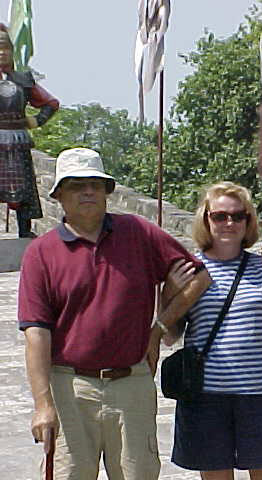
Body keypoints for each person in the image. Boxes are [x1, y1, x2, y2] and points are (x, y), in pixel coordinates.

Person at [18, 147, 211, 479]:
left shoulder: (137, 233)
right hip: (69, 387)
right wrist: (43, 404)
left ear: (107, 191)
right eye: (77, 186)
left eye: (95, 184)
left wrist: (158, 329)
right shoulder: (41, 253)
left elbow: (199, 277)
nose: (88, 192)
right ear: (59, 195)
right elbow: (36, 332)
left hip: (131, 384)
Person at [165, 181, 262, 480]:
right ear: (205, 219)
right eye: (220, 216)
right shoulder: (191, 270)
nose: (230, 223)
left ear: (248, 222)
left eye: (239, 216)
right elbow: (170, 335)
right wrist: (169, 293)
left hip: (259, 393)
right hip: (206, 396)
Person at [0, 23, 59, 238]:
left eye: (5, 48)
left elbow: (51, 103)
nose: (1, 53)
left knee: (22, 187)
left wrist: (34, 121)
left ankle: (25, 230)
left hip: (17, 140)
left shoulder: (22, 80)